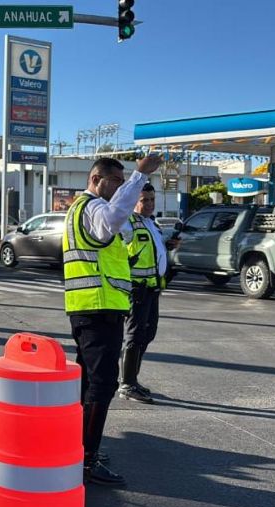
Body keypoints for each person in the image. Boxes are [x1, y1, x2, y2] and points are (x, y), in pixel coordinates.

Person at [63, 155, 163, 487]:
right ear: (97, 180)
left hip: (93, 308)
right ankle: (87, 459)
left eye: (123, 183)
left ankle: (78, 450)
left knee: (88, 384)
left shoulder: (83, 209)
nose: (122, 189)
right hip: (97, 309)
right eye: (116, 182)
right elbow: (111, 219)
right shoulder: (91, 208)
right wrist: (138, 175)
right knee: (101, 385)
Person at [118, 184, 180, 404]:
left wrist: (168, 245)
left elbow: (153, 250)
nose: (150, 204)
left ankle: (132, 378)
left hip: (153, 288)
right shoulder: (128, 223)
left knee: (148, 333)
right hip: (138, 288)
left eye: (152, 199)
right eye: (145, 200)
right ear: (134, 201)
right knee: (134, 335)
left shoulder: (152, 223)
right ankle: (126, 384)